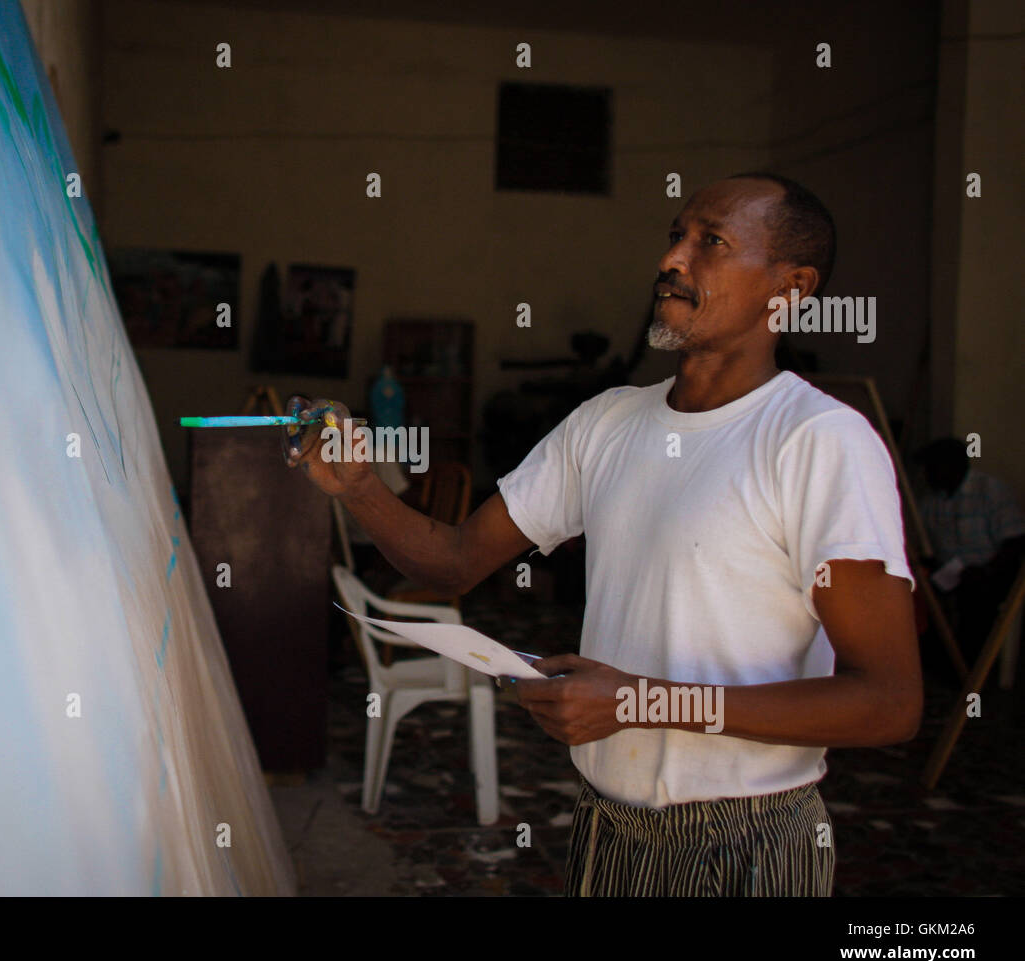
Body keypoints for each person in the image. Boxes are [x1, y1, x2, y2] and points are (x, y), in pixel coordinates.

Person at [284, 173, 922, 897]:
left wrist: (640, 701)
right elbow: (456, 560)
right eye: (675, 236)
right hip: (605, 829)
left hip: (745, 841)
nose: (672, 260)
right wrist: (362, 486)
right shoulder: (608, 421)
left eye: (710, 242)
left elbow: (889, 700)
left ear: (791, 287)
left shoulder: (818, 441)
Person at [917, 436, 1025, 659]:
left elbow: (1015, 541)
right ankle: (934, 658)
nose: (926, 475)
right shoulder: (931, 502)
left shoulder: (990, 491)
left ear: (953, 465)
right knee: (916, 594)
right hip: (950, 572)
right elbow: (928, 548)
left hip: (991, 572)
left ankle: (969, 665)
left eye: (932, 467)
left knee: (975, 596)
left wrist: (987, 571)